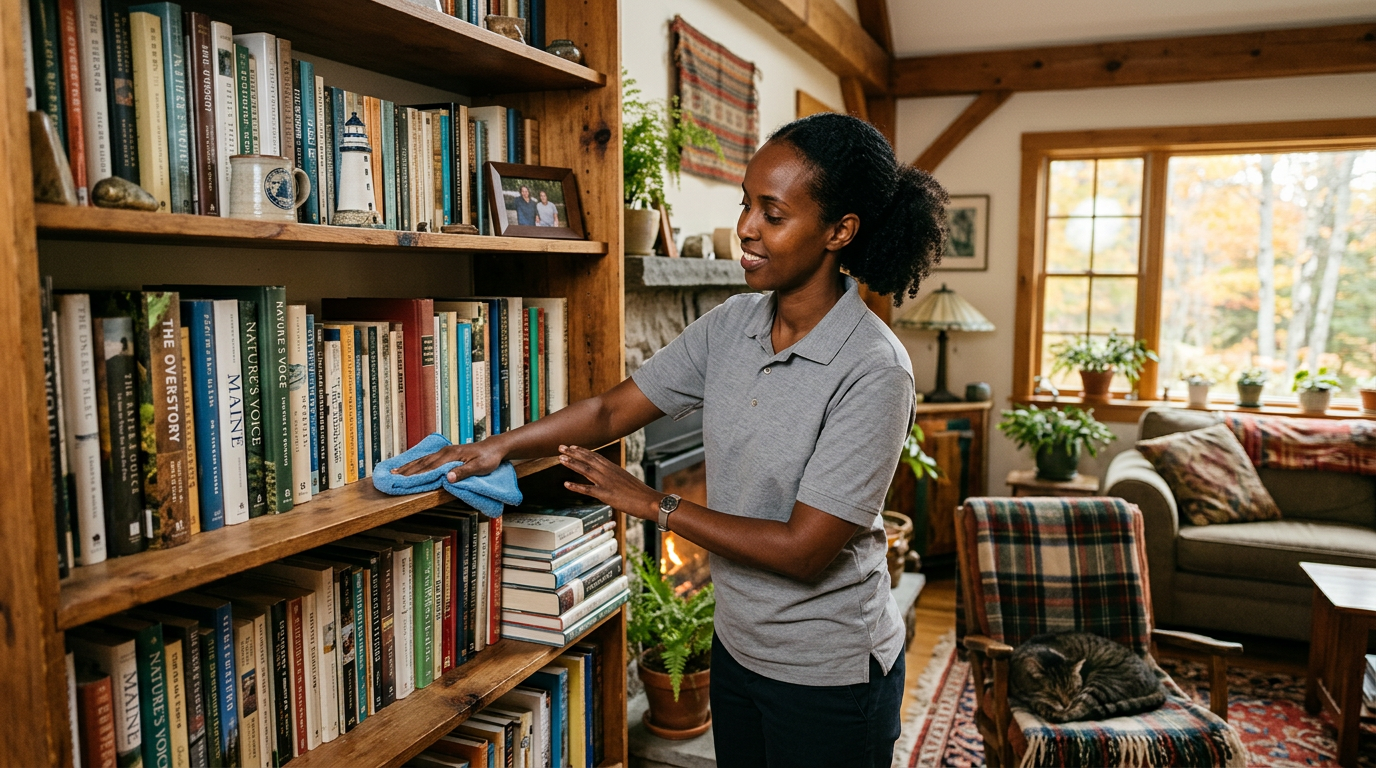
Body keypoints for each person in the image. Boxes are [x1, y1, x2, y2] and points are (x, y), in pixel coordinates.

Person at [398, 112, 948, 768]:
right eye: (746, 204)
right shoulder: (734, 323)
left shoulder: (874, 369)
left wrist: (654, 504)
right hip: (739, 649)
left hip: (828, 674)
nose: (746, 227)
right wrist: (497, 448)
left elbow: (805, 552)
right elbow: (611, 410)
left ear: (839, 231)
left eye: (772, 214)